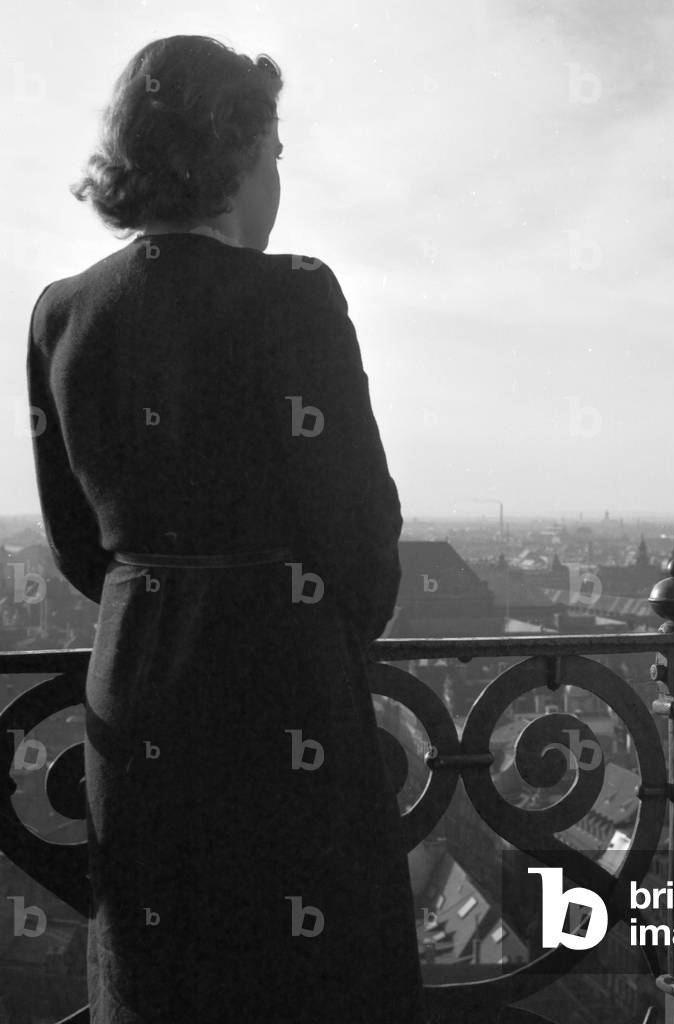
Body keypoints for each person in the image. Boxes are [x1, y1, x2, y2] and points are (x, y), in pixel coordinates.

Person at [26, 34, 429, 1023]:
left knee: (165, 972)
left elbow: (79, 544)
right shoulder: (294, 294)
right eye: (277, 150)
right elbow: (360, 530)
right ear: (239, 150)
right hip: (281, 681)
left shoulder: (60, 314)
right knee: (308, 976)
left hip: (139, 690)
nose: (280, 174)